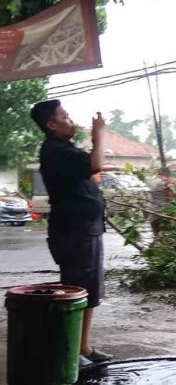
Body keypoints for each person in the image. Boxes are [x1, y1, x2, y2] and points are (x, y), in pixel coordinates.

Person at [30, 99, 112, 366]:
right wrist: (98, 134)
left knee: (84, 291)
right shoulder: (55, 151)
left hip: (80, 229)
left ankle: (81, 347)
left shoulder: (62, 149)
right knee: (79, 290)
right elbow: (96, 164)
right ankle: (71, 351)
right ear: (51, 124)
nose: (70, 120)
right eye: (65, 117)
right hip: (75, 231)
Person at [148, 167, 175, 238]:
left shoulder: (151, 182)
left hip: (152, 214)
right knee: (168, 237)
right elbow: (171, 197)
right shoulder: (165, 183)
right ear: (166, 175)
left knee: (157, 238)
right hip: (163, 213)